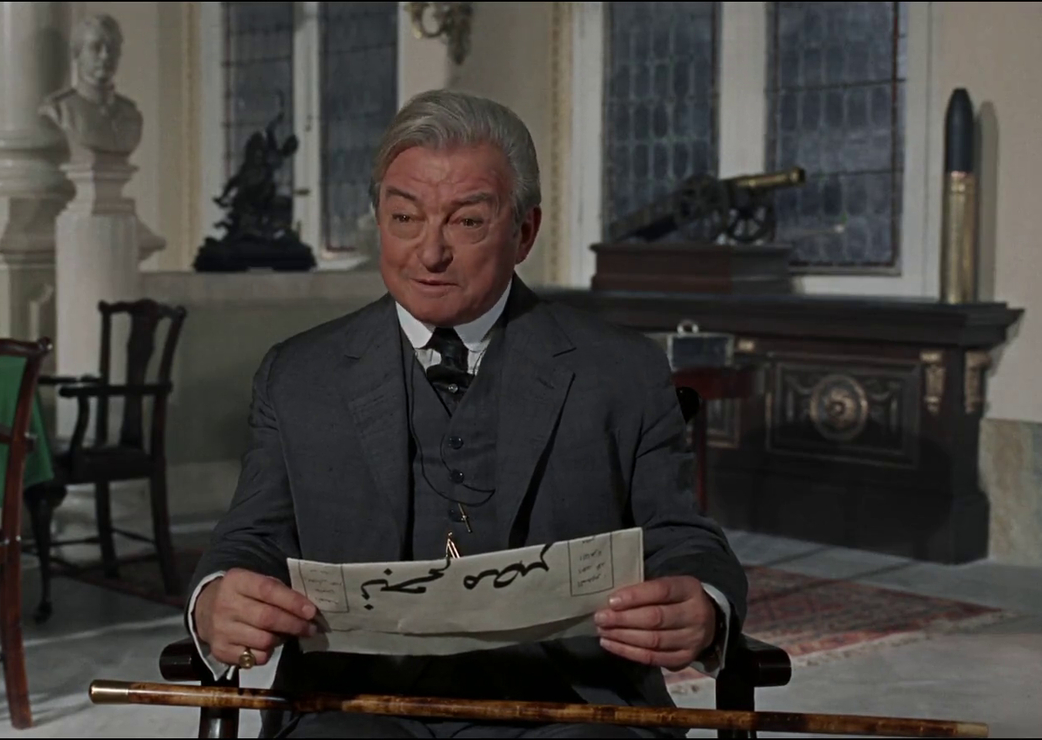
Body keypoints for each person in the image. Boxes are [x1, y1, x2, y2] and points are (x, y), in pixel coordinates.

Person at [185, 89, 747, 738]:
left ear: (524, 232)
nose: (429, 253)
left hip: (570, 709)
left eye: (467, 222)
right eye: (404, 217)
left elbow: (681, 536)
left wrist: (703, 606)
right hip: (354, 706)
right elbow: (252, 537)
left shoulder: (621, 370)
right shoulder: (297, 374)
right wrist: (216, 598)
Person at [39, 13, 143, 157]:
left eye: (112, 48)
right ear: (76, 54)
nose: (105, 55)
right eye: (96, 47)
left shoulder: (130, 114)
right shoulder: (61, 110)